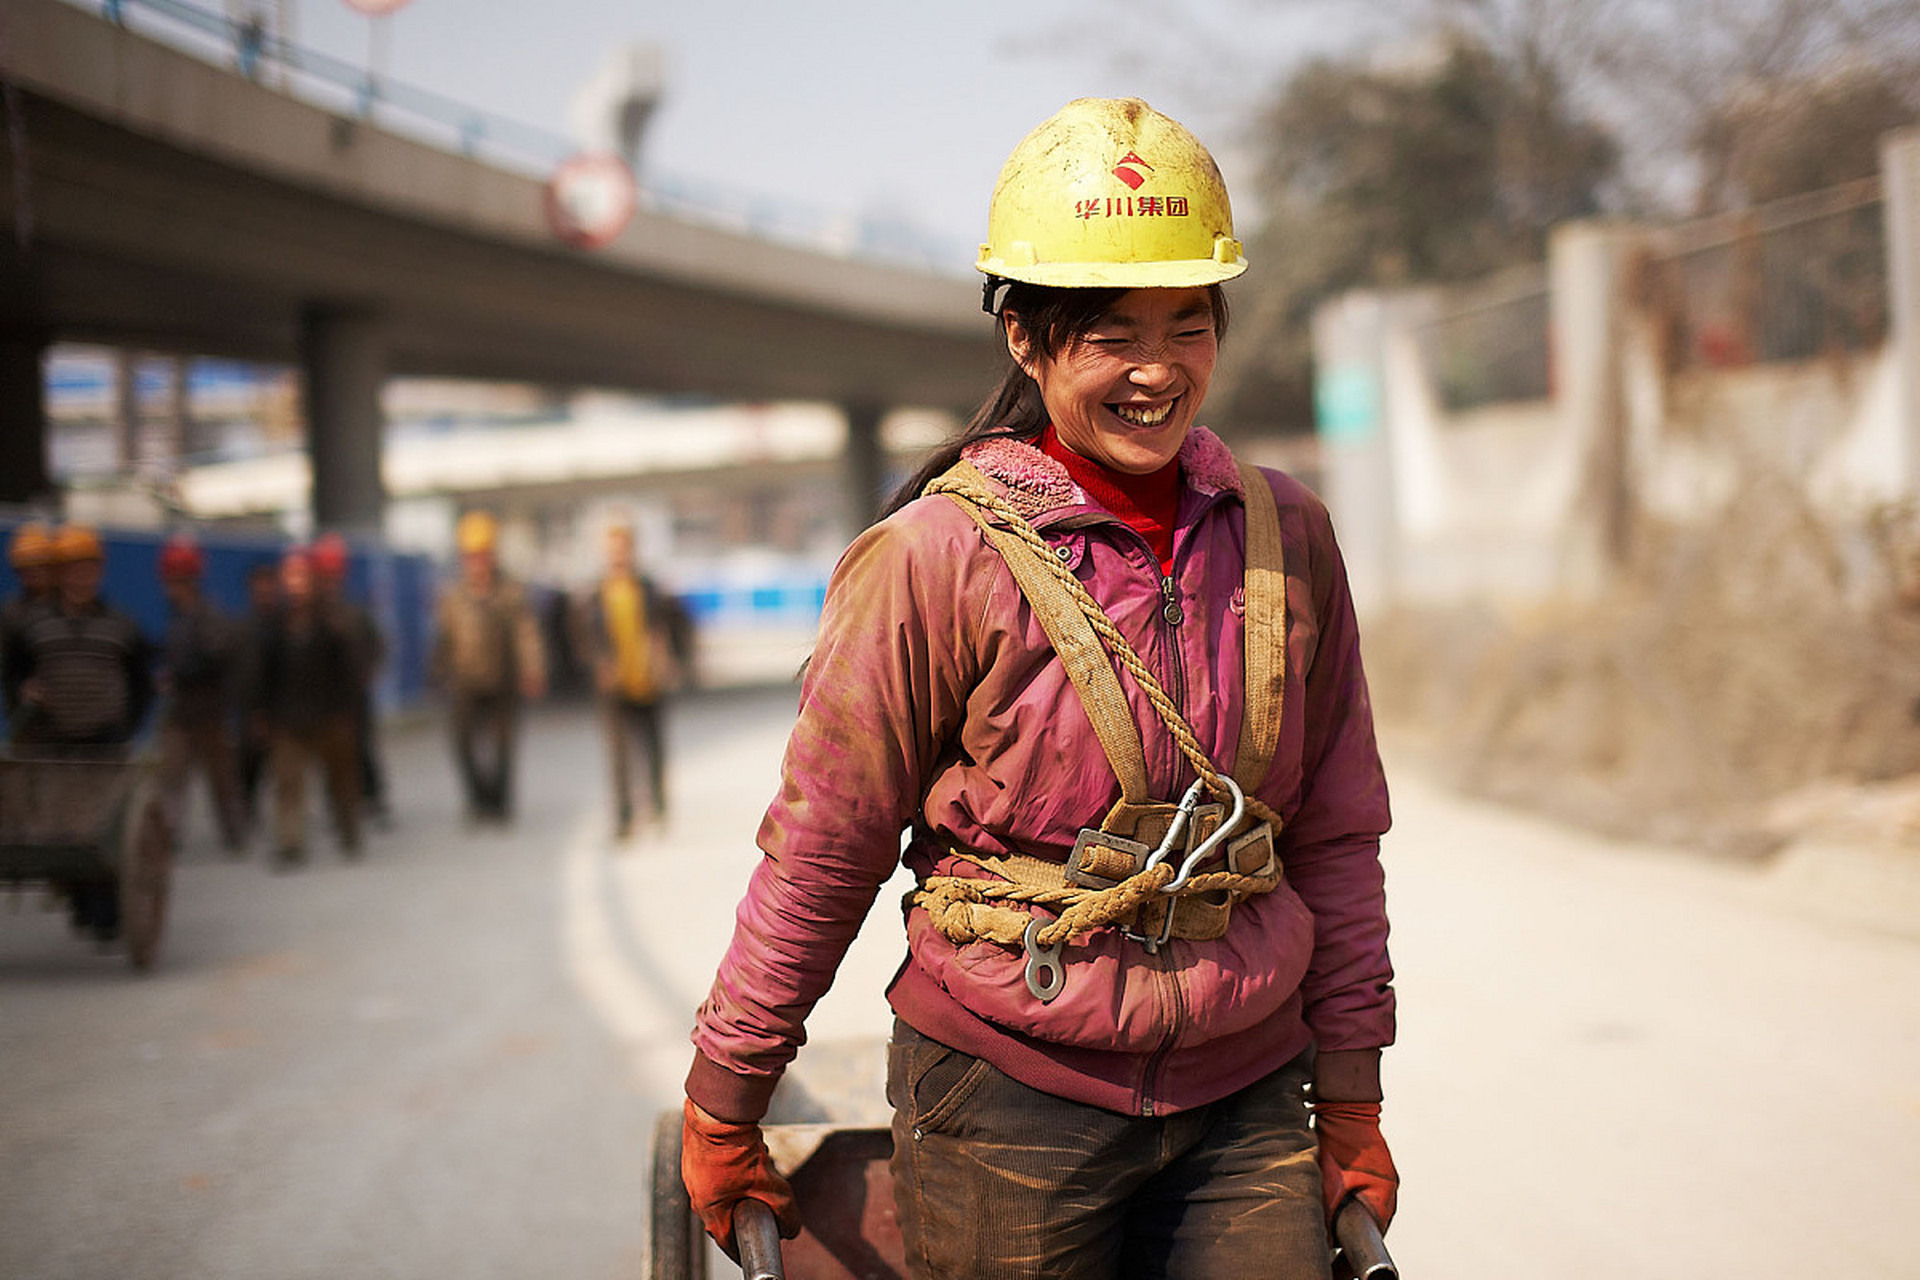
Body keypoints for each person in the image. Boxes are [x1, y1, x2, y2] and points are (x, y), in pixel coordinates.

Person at [680, 99, 1397, 1277]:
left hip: (1248, 1088)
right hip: (1004, 1093)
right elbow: (823, 848)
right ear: (1025, 336)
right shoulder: (932, 558)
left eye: (1188, 323)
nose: (1158, 369)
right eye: (1112, 331)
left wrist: (1354, 1092)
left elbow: (1333, 836)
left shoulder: (1286, 536)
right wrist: (726, 1095)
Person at [3, 525, 155, 939]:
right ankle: (80, 900)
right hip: (54, 741)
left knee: (103, 827)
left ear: (99, 572)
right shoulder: (33, 625)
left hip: (104, 741)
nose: (79, 577)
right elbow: (15, 673)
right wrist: (23, 692)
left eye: (87, 568)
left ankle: (105, 909)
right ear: (61, 574)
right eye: (71, 569)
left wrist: (129, 724)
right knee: (63, 828)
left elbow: (142, 679)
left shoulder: (121, 625)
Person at [575, 520, 693, 839]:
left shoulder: (651, 589)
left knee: (654, 747)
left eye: (623, 548)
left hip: (649, 679)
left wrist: (671, 661)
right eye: (612, 549)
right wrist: (599, 664)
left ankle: (657, 807)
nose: (618, 555)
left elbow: (676, 627)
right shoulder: (595, 594)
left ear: (632, 549)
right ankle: (623, 817)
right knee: (618, 756)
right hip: (613, 685)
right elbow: (583, 638)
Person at [431, 511, 546, 824]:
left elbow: (526, 634)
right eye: (472, 557)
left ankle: (500, 803)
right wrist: (437, 672)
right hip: (465, 681)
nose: (478, 563)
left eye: (483, 556)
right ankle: (477, 801)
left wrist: (532, 669)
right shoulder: (453, 597)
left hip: (504, 680)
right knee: (463, 745)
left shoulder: (510, 592)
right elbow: (444, 638)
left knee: (503, 747)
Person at [253, 546, 362, 868]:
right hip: (288, 721)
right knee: (288, 784)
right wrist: (261, 713)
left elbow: (348, 673)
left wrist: (347, 713)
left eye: (302, 576)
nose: (296, 583)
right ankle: (290, 844)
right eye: (291, 576)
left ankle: (348, 831)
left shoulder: (332, 625)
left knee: (341, 782)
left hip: (331, 718)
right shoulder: (276, 627)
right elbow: (265, 675)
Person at [154, 534, 249, 855]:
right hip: (179, 714)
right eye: (170, 580)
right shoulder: (175, 616)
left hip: (209, 712)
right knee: (172, 778)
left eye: (178, 579)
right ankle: (169, 837)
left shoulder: (208, 615)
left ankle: (234, 833)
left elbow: (221, 654)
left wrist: (185, 670)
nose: (172, 586)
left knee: (222, 780)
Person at [311, 532, 392, 827]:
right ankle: (338, 803)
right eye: (325, 575)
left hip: (354, 695)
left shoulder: (354, 613)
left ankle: (372, 798)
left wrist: (368, 673)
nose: (330, 582)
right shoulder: (311, 615)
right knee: (329, 754)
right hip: (322, 698)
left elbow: (377, 645)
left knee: (362, 747)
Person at [235, 560, 281, 825]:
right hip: (252, 711)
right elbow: (240, 675)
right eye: (258, 590)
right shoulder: (243, 630)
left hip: (284, 710)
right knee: (249, 765)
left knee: (286, 770)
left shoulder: (285, 627)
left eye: (268, 589)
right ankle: (247, 811)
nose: (264, 595)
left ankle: (287, 821)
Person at [2, 521, 58, 734]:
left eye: (39, 565)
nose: (33, 573)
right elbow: (8, 666)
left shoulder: (68, 607)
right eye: (26, 567)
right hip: (26, 715)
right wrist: (20, 690)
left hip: (71, 712)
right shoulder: (12, 613)